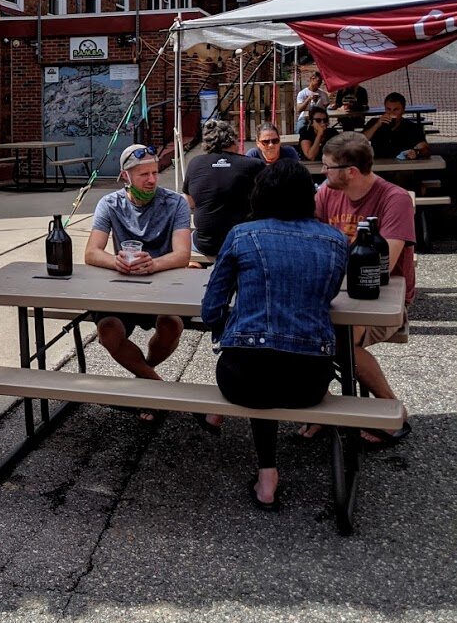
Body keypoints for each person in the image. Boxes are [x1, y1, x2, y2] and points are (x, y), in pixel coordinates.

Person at [200, 161, 349, 510]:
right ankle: (268, 471)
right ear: (308, 197)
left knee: (257, 367)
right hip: (310, 383)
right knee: (273, 362)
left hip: (245, 379)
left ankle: (267, 475)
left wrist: (233, 327)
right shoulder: (335, 240)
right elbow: (324, 298)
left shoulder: (243, 234)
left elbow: (210, 310)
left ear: (261, 193)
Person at [307, 131, 415, 446]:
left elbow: (383, 263)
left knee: (336, 339)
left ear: (350, 172)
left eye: (327, 167)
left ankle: (393, 413)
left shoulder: (393, 199)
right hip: (334, 293)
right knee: (294, 331)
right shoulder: (327, 192)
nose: (322, 173)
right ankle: (322, 409)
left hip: (382, 302)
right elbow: (305, 236)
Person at [83, 143, 191, 421]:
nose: (152, 179)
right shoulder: (110, 203)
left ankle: (145, 381)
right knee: (108, 332)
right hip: (124, 286)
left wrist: (154, 264)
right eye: (143, 174)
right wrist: (114, 261)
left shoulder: (175, 202)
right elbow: (92, 252)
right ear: (125, 176)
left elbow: (182, 254)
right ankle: (156, 387)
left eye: (155, 172)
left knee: (171, 325)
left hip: (164, 284)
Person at [182, 119, 259, 257]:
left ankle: (195, 264)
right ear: (233, 141)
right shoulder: (252, 165)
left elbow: (190, 202)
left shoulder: (195, 163)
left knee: (190, 240)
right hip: (243, 244)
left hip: (206, 244)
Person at [363, 92, 430, 160]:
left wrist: (417, 152)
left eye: (396, 109)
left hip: (404, 167)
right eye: (388, 109)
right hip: (380, 167)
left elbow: (426, 150)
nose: (391, 113)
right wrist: (377, 125)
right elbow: (360, 141)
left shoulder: (412, 127)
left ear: (403, 111)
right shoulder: (374, 122)